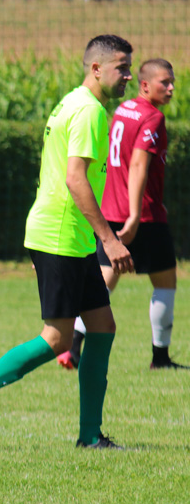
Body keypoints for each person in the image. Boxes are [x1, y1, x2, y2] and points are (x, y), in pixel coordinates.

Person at [0, 35, 134, 451]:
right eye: (121, 68)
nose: (128, 76)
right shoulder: (90, 112)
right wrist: (109, 241)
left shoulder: (71, 102)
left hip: (65, 236)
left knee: (102, 327)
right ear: (96, 68)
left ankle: (90, 436)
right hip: (63, 235)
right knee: (57, 338)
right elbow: (75, 179)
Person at [57, 59, 188, 371]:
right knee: (166, 282)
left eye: (172, 82)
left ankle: (72, 347)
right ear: (145, 85)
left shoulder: (123, 110)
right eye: (163, 83)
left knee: (104, 279)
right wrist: (135, 212)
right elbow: (139, 165)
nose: (170, 88)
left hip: (111, 209)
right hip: (141, 214)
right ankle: (160, 357)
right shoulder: (152, 117)